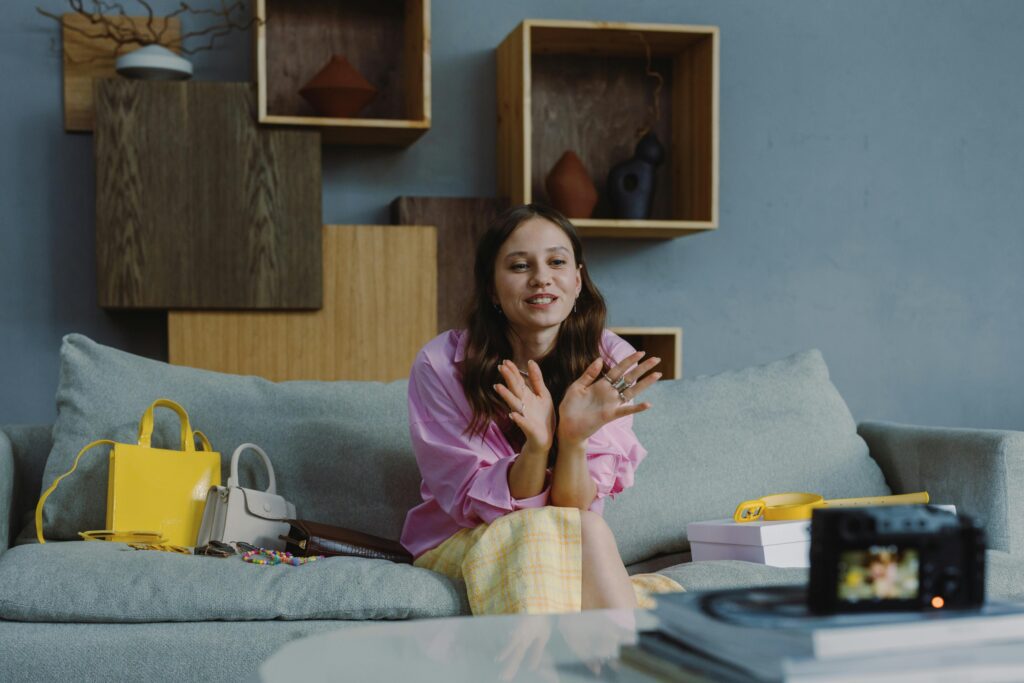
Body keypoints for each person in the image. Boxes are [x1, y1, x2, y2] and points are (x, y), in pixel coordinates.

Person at [400, 203, 682, 614]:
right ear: (491, 288)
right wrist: (537, 446)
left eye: (557, 262)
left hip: (564, 536)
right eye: (520, 266)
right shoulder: (441, 364)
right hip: (462, 539)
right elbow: (479, 508)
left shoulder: (609, 359)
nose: (541, 278)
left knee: (584, 526)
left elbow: (574, 508)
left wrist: (572, 439)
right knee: (545, 532)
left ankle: (612, 648)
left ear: (577, 280)